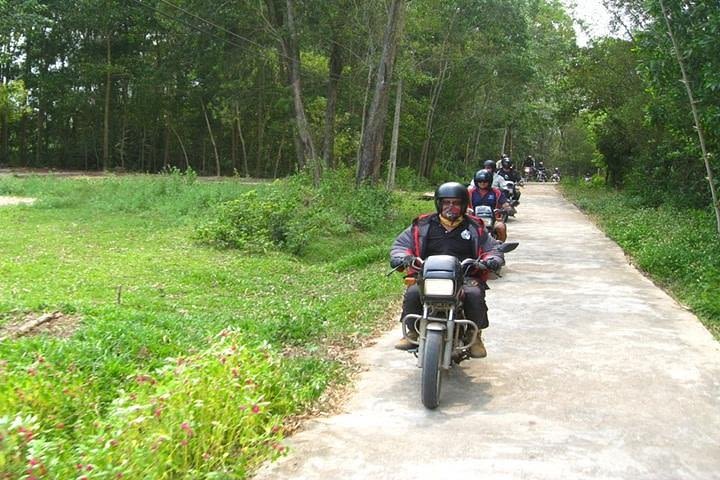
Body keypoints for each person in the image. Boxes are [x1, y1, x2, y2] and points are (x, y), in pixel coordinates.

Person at [389, 181, 505, 358]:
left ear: (464, 205)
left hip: (464, 274)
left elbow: (491, 248)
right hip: (429, 275)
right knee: (413, 292)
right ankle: (412, 331)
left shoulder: (475, 226)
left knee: (474, 295)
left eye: (456, 203)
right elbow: (402, 244)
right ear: (439, 204)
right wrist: (403, 257)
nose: (451, 207)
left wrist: (491, 260)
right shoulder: (423, 224)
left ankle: (474, 337)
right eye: (446, 202)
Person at [467, 169, 512, 242]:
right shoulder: (470, 192)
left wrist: (507, 208)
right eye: (480, 181)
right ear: (476, 181)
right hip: (473, 219)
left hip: (494, 219)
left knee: (501, 227)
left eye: (485, 181)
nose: (482, 183)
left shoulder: (496, 192)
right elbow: (462, 203)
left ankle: (499, 246)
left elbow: (504, 203)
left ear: (489, 181)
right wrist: (466, 210)